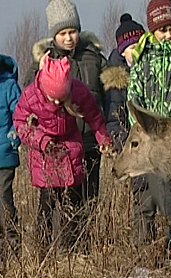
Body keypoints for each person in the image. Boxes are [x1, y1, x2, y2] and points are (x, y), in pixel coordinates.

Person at [13, 57, 111, 257]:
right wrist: (41, 140)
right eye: (53, 98)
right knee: (46, 205)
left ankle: (70, 251)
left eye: (61, 98)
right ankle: (43, 251)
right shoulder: (31, 94)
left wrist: (102, 137)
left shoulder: (78, 91)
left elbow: (94, 115)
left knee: (72, 204)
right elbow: (20, 123)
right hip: (44, 155)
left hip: (70, 150)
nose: (58, 102)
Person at [127, 0, 171, 254]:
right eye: (162, 30)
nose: (168, 35)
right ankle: (167, 239)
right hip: (151, 137)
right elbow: (134, 98)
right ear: (153, 31)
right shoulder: (143, 58)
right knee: (160, 187)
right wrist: (142, 128)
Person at [24, 0, 107, 208]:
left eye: (72, 31)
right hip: (58, 146)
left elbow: (110, 93)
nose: (69, 38)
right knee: (51, 201)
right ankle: (45, 239)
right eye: (63, 33)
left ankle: (84, 239)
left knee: (88, 199)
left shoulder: (93, 57)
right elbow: (28, 96)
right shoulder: (44, 60)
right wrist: (41, 72)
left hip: (89, 142)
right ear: (54, 35)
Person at [102, 13, 145, 151]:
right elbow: (114, 120)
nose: (137, 52)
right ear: (122, 52)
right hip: (129, 146)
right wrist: (127, 146)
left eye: (140, 46)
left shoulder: (150, 69)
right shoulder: (115, 80)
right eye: (133, 48)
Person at [0, 54, 21, 255]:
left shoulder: (8, 85)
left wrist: (13, 139)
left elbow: (20, 114)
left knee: (4, 201)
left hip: (4, 153)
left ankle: (13, 250)